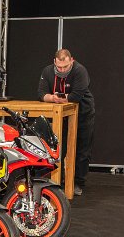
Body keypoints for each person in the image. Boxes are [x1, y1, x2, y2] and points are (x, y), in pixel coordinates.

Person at [38, 48, 95, 196]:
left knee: (82, 150)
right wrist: (53, 98)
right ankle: (58, 181)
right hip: (60, 116)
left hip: (83, 114)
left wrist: (56, 98)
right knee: (58, 148)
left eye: (65, 67)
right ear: (54, 62)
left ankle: (78, 182)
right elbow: (41, 94)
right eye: (59, 67)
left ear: (72, 61)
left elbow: (76, 96)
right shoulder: (47, 71)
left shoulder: (80, 71)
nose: (62, 70)